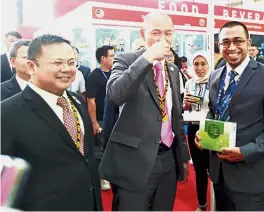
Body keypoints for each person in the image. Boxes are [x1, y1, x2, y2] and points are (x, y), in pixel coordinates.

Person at [99, 11, 190, 211]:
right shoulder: (126, 59)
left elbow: (176, 116)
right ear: (143, 33)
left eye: (168, 33)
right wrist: (148, 57)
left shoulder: (173, 70)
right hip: (135, 161)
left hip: (167, 158)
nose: (163, 39)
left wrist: (182, 157)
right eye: (156, 33)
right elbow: (115, 94)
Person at [195, 21, 264, 211]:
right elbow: (215, 111)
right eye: (225, 42)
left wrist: (246, 152)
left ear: (248, 42)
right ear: (219, 45)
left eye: (238, 41)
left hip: (251, 179)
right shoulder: (215, 75)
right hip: (219, 175)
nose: (231, 47)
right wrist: (204, 133)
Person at [1, 34, 102, 211]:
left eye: (71, 63)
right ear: (31, 66)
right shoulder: (7, 113)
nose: (67, 69)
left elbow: (86, 158)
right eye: (57, 63)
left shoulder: (77, 101)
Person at [183, 51, 210, 211]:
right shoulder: (189, 83)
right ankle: (202, 205)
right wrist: (186, 103)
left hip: (211, 126)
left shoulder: (216, 81)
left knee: (214, 167)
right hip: (194, 127)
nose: (199, 68)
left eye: (203, 64)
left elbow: (213, 104)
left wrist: (194, 99)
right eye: (196, 64)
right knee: (199, 168)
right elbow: (188, 107)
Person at [86, 45, 114, 191]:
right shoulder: (94, 76)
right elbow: (91, 100)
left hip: (114, 117)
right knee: (100, 148)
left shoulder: (115, 73)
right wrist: (94, 121)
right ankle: (101, 177)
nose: (114, 58)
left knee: (112, 147)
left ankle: (111, 174)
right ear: (103, 58)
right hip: (100, 118)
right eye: (111, 56)